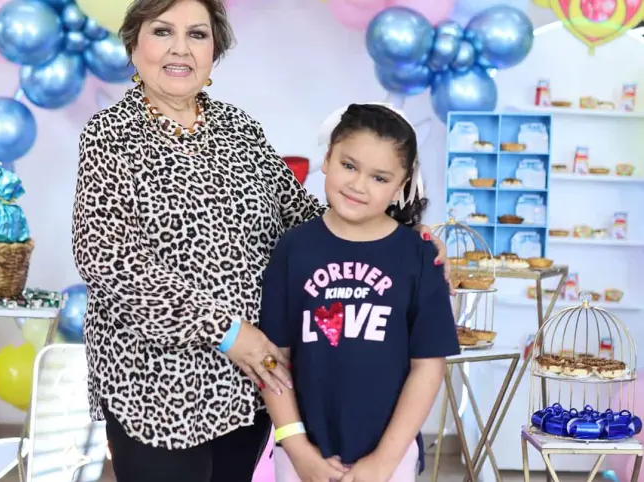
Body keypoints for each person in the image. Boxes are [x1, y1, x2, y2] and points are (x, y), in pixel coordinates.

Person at [71, 0, 449, 479]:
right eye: (163, 31)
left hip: (247, 386)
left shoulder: (239, 129)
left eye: (197, 34)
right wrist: (228, 332)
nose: (180, 48)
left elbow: (306, 217)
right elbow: (107, 260)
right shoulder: (109, 135)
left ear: (214, 50)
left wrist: (399, 237)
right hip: (155, 387)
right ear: (134, 44)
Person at [259, 103, 461, 482]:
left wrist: (383, 461)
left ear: (400, 186)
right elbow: (272, 359)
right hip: (300, 456)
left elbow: (428, 367)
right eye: (349, 166)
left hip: (390, 458)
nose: (358, 185)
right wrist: (298, 447)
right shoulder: (293, 249)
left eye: (379, 178)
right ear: (327, 159)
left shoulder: (420, 257)